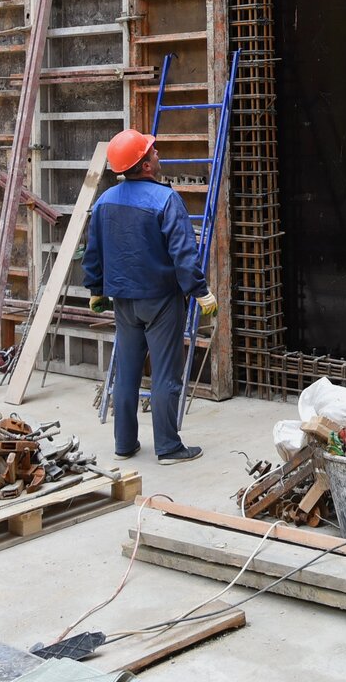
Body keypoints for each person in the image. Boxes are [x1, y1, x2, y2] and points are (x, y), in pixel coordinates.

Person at [82, 129, 217, 465]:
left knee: (126, 373)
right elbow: (183, 254)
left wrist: (96, 289)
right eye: (153, 153)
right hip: (161, 301)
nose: (158, 156)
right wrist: (200, 291)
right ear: (143, 165)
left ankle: (125, 444)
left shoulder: (104, 202)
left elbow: (93, 251)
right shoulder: (165, 200)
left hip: (123, 301)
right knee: (166, 374)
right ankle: (169, 447)